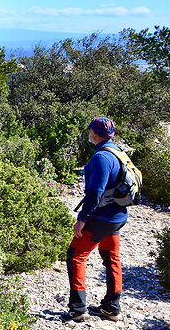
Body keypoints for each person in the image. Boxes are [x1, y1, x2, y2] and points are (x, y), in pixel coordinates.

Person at [62, 117, 127, 323]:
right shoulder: (117, 153)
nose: (89, 133)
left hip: (102, 217)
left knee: (76, 254)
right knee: (111, 258)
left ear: (96, 134)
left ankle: (77, 309)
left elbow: (94, 193)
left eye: (90, 130)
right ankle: (112, 307)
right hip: (117, 217)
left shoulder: (101, 157)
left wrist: (81, 219)